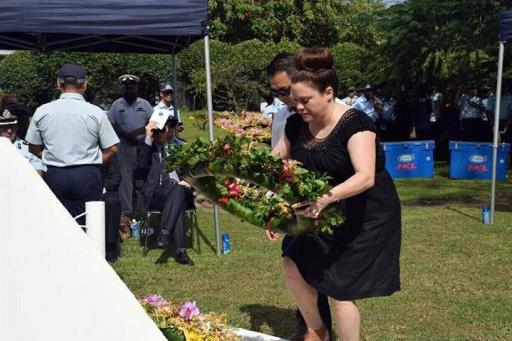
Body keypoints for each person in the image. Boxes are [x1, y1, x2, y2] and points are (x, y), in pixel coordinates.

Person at [271, 48, 401, 341]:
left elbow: (365, 176)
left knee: (341, 288)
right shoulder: (295, 124)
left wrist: (325, 198)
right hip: (321, 208)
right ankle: (317, 331)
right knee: (293, 260)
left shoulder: (355, 124)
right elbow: (275, 161)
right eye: (295, 99)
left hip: (365, 213)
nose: (298, 107)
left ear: (328, 92)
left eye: (305, 100)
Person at [25, 64, 119, 225]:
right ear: (84, 85)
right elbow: (113, 148)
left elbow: (32, 146)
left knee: (57, 224)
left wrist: (49, 156)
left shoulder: (42, 111)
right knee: (90, 224)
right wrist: (97, 161)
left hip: (56, 174)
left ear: (58, 84)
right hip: (87, 174)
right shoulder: (96, 112)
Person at [139, 117, 195, 266]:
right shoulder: (146, 148)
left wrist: (189, 181)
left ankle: (164, 233)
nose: (163, 132)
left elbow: (194, 171)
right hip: (157, 194)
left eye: (168, 128)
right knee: (178, 200)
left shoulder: (180, 147)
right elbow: (140, 167)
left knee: (179, 189)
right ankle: (180, 251)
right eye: (159, 130)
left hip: (181, 190)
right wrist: (148, 137)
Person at [107, 75, 153, 218]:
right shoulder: (116, 105)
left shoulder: (145, 105)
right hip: (124, 146)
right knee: (125, 180)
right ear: (121, 89)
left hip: (143, 146)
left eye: (132, 87)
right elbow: (111, 124)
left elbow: (152, 122)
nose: (129, 90)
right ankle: (127, 211)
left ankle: (143, 209)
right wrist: (127, 136)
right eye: (126, 88)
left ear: (137, 88)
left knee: (144, 179)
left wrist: (137, 133)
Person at [0, 109, 46, 175]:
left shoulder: (28, 148)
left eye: (12, 127)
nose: (9, 131)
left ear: (17, 127)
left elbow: (40, 168)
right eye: (5, 127)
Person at [101, 154, 122, 262]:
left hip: (104, 189)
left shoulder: (110, 155)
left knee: (113, 201)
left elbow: (116, 177)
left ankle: (110, 245)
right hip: (83, 188)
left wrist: (101, 188)